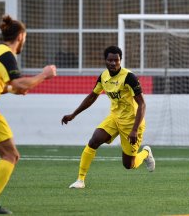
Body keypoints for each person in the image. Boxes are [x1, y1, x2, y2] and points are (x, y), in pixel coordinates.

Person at [62, 45, 155, 189]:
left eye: (116, 60)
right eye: (110, 60)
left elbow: (142, 104)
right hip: (114, 118)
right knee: (94, 141)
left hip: (132, 123)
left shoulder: (129, 77)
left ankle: (146, 153)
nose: (113, 63)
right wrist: (73, 114)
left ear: (120, 60)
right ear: (105, 60)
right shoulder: (103, 76)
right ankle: (80, 180)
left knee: (129, 165)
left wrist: (135, 130)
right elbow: (92, 96)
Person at [0, 15, 57, 214]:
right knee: (10, 155)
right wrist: (44, 74)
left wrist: (12, 89)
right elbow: (20, 83)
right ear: (21, 36)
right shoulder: (6, 54)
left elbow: (4, 85)